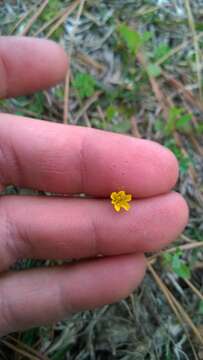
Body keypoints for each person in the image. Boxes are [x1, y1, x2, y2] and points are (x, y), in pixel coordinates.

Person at [0, 37, 188, 335]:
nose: (121, 201)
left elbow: (119, 200)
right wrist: (116, 201)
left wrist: (118, 201)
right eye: (120, 200)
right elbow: (117, 199)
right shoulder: (117, 199)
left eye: (121, 200)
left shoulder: (119, 200)